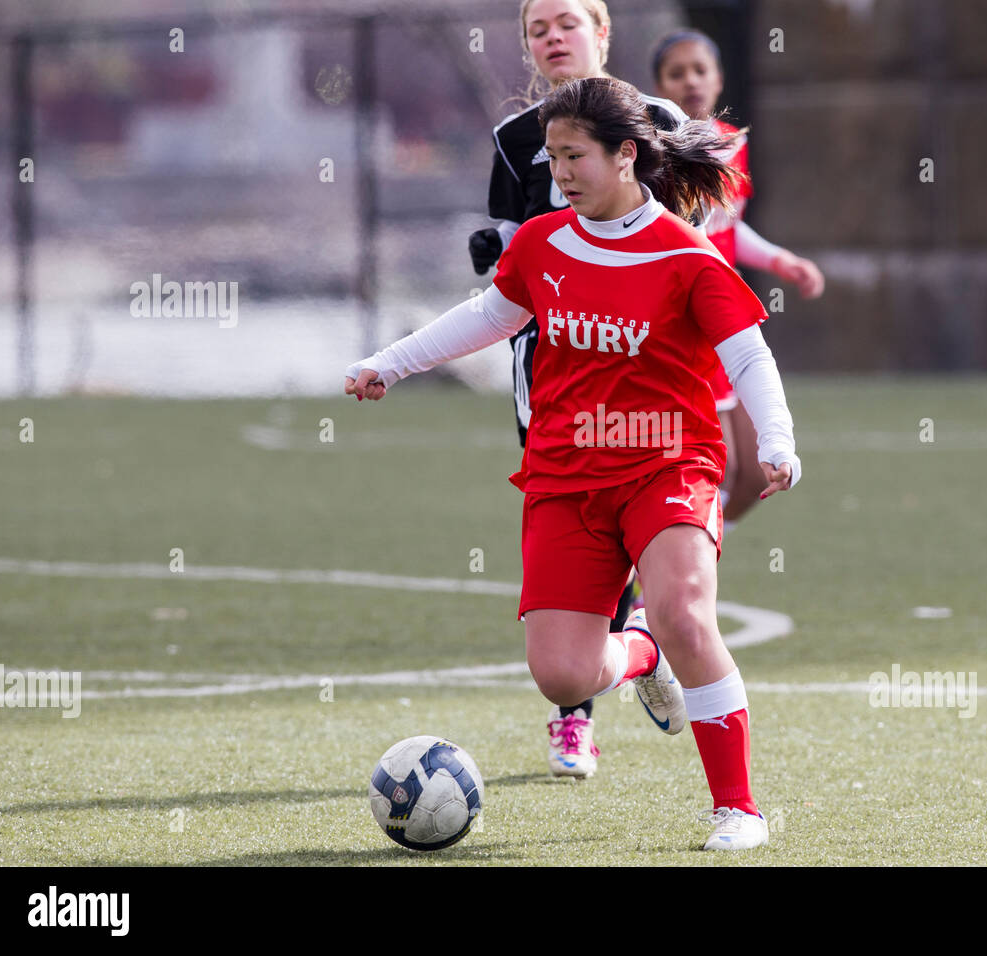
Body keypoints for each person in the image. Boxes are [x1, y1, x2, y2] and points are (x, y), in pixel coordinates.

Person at [346, 75, 801, 850]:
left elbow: (748, 356)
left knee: (688, 616)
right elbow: (489, 315)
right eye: (553, 156)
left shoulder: (686, 256)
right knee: (562, 674)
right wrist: (390, 364)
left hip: (670, 462)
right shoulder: (542, 241)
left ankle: (737, 807)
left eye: (574, 155)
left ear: (626, 156)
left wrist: (780, 441)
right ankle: (642, 655)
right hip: (565, 474)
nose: (559, 171)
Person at [467, 0, 688, 779]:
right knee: (571, 546)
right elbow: (515, 245)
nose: (553, 37)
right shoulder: (514, 137)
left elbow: (693, 228)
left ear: (602, 31)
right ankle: (574, 715)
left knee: (632, 531)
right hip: (552, 379)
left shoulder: (658, 119)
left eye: (568, 21)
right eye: (537, 28)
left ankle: (635, 651)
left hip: (648, 375)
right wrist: (492, 251)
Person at [652, 28, 824, 527]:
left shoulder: (731, 145)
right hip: (691, 318)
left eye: (699, 70)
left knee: (752, 476)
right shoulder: (658, 151)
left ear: (719, 79)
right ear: (658, 84)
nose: (690, 81)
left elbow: (728, 228)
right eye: (675, 73)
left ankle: (682, 555)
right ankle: (659, 565)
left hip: (729, 312)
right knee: (718, 463)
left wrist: (779, 261)